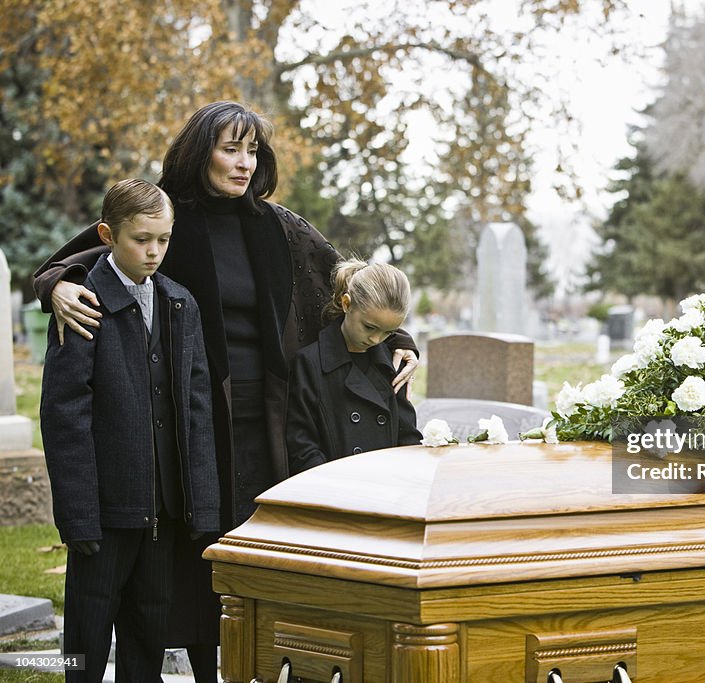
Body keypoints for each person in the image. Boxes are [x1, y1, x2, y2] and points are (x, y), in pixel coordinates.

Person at [33, 101, 418, 682]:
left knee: (258, 548)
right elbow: (90, 252)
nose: (244, 164)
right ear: (200, 152)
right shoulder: (167, 212)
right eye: (230, 149)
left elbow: (348, 282)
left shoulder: (278, 226)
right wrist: (57, 285)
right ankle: (194, 669)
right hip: (188, 415)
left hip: (266, 418)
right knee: (189, 555)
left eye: (253, 150)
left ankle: (259, 662)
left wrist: (399, 338)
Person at [39, 179, 219, 683]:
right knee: (86, 639)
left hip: (163, 513)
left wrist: (201, 506)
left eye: (163, 239)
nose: (154, 251)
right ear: (107, 234)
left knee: (146, 637)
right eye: (141, 239)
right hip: (104, 512)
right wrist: (77, 517)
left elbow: (197, 410)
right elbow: (63, 416)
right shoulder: (81, 304)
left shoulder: (181, 303)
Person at [287, 259, 422, 474]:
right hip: (333, 491)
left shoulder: (394, 361)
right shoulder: (310, 362)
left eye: (388, 332)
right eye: (369, 327)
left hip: (388, 488)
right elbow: (302, 444)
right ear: (346, 304)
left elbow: (408, 436)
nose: (376, 339)